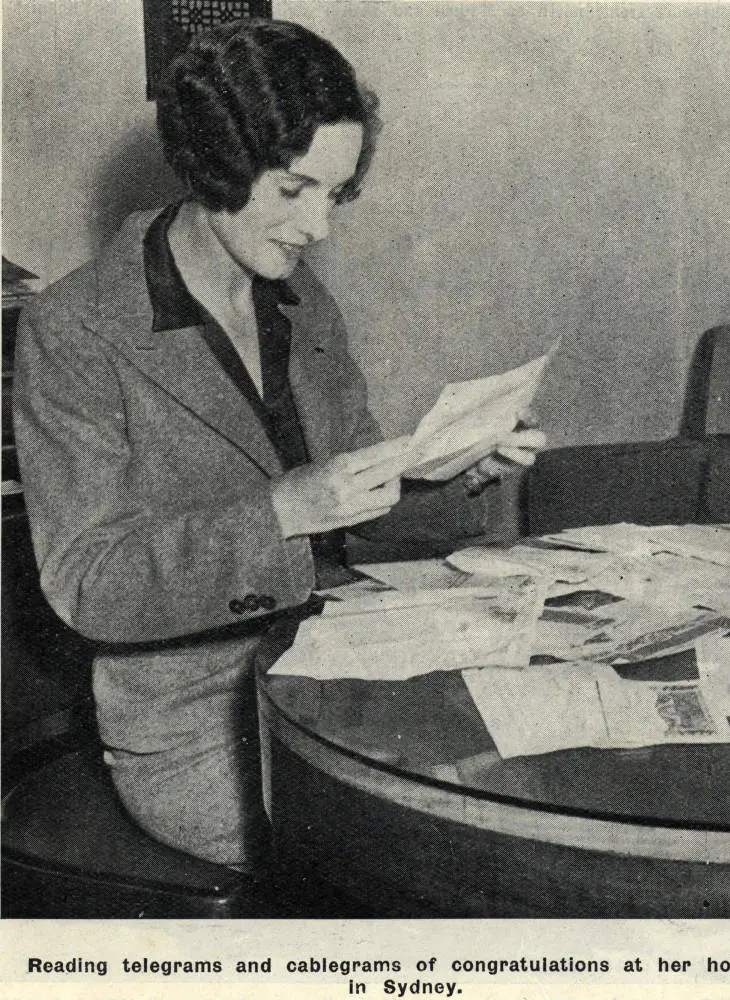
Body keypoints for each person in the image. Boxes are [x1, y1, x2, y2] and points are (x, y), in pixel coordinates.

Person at [13, 19, 545, 870]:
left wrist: (449, 474)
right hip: (198, 718)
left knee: (519, 795)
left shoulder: (301, 303)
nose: (320, 228)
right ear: (221, 158)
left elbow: (358, 517)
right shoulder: (74, 328)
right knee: (437, 857)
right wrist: (283, 511)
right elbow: (90, 584)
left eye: (336, 196)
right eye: (297, 190)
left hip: (345, 668)